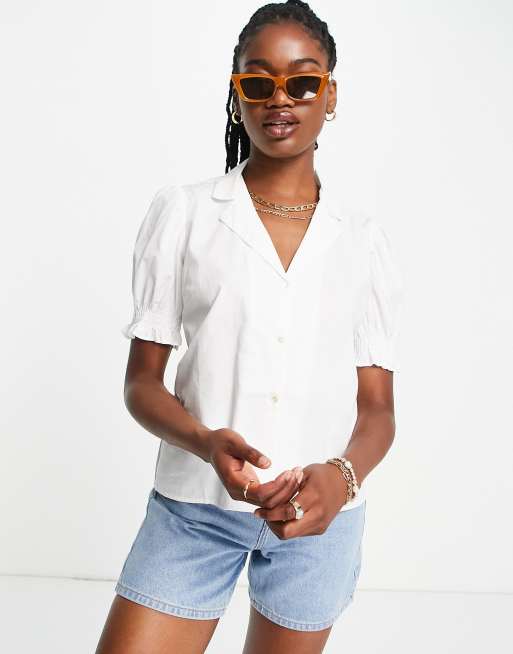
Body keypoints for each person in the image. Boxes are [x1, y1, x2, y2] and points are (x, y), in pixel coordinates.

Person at [95, 1, 404, 652]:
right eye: (258, 82)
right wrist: (205, 441)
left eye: (303, 81)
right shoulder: (183, 214)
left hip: (321, 523)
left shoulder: (362, 241)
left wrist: (341, 477)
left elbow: (377, 410)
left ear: (330, 96)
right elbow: (141, 384)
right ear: (237, 97)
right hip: (194, 510)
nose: (280, 98)